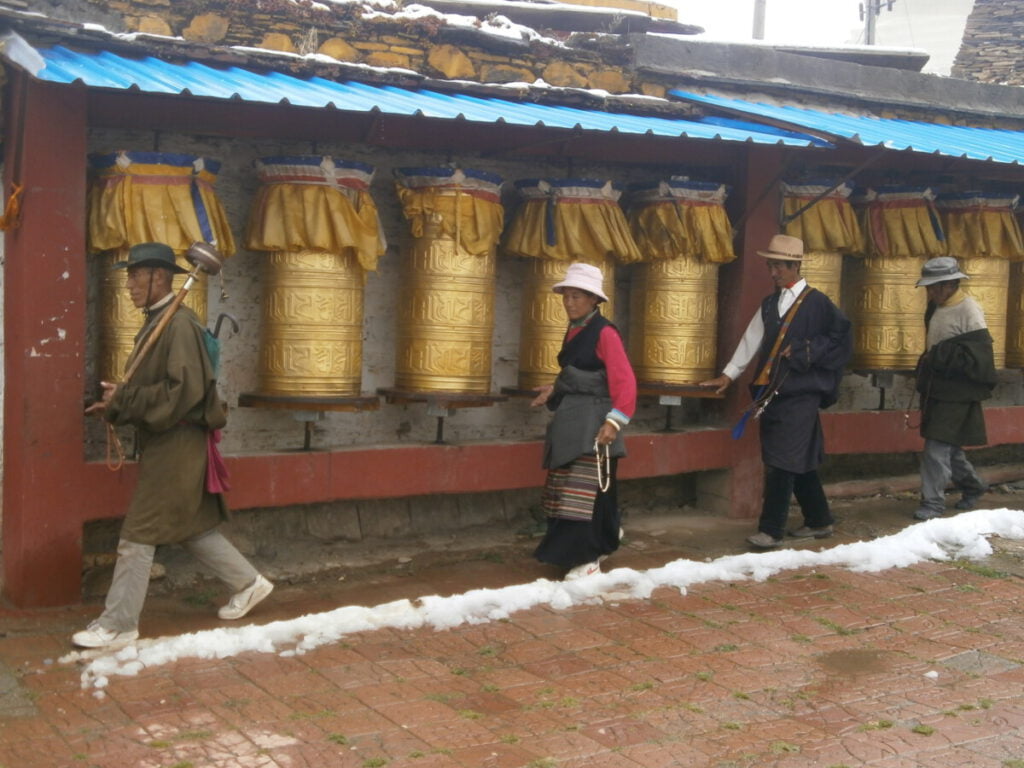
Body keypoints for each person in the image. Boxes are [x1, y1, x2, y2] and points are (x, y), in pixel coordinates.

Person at [73, 242, 273, 649]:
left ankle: (119, 624)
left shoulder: (179, 325)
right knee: (191, 526)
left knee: (139, 533)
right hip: (168, 441)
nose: (128, 284)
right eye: (129, 276)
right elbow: (156, 389)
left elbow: (184, 393)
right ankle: (248, 583)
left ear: (158, 277)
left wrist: (124, 402)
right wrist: (115, 402)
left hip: (177, 442)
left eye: (135, 275)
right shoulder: (159, 320)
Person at [699, 234, 852, 548]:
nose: (773, 273)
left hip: (803, 393)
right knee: (798, 459)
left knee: (782, 460)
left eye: (779, 266)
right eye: (770, 266)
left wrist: (806, 350)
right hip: (774, 393)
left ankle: (770, 530)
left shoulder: (818, 303)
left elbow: (842, 340)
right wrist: (728, 375)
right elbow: (751, 339)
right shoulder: (770, 304)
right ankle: (819, 520)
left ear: (795, 265)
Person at [531, 263, 637, 579]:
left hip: (594, 423)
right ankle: (605, 536)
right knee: (577, 490)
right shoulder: (576, 328)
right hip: (573, 422)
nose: (569, 302)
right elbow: (581, 375)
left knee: (584, 493)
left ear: (594, 299)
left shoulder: (604, 332)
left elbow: (624, 381)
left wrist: (613, 423)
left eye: (577, 296)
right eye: (567, 295)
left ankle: (588, 558)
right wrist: (554, 388)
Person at [912, 256, 995, 521]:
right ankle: (973, 486)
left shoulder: (969, 310)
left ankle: (933, 503)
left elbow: (980, 356)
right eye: (929, 287)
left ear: (951, 284)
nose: (932, 292)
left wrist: (941, 356)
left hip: (958, 393)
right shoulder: (935, 307)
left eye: (937, 287)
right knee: (951, 448)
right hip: (937, 389)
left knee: (935, 448)